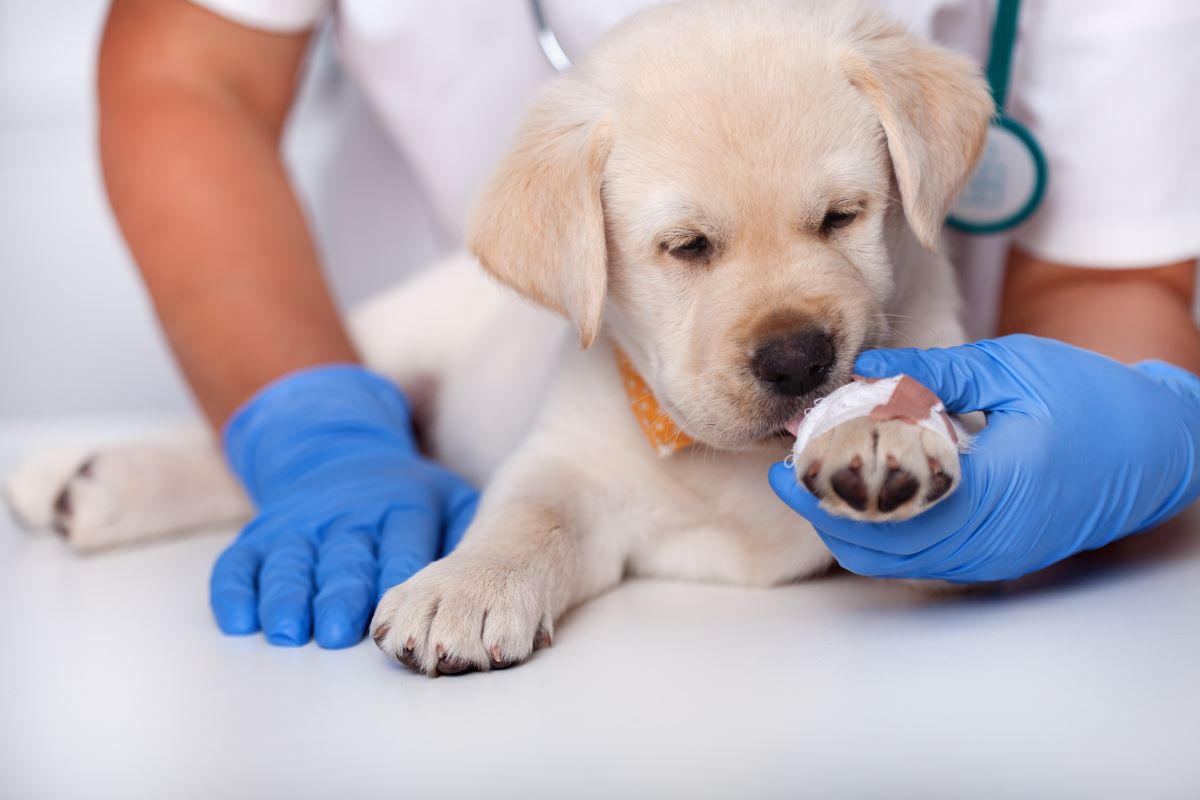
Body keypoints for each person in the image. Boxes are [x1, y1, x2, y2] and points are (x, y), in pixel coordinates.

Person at [97, 0, 1200, 647]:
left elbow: (1119, 266)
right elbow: (186, 71)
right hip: (443, 348)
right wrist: (319, 432)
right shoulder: (555, 222)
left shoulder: (881, 105)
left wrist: (1122, 435)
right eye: (690, 246)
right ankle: (192, 467)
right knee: (403, 354)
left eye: (838, 216)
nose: (793, 340)